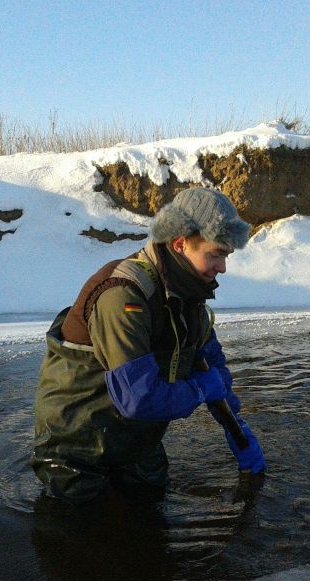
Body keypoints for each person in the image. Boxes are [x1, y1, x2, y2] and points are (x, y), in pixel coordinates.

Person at [30, 187, 266, 504]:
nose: (222, 268)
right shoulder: (124, 295)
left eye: (226, 256)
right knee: (81, 536)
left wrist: (235, 426)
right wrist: (199, 391)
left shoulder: (191, 293)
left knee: (150, 520)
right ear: (180, 244)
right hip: (78, 449)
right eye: (216, 254)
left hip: (137, 442)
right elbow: (137, 400)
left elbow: (211, 363)